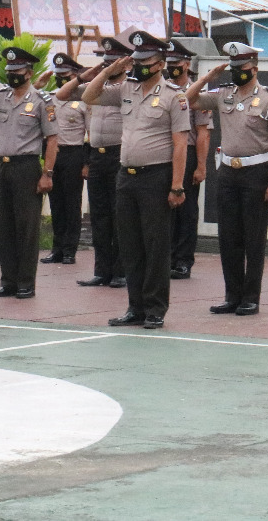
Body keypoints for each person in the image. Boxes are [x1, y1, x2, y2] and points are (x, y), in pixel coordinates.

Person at [83, 31, 191, 328]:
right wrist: (110, 70)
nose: (139, 65)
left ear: (160, 64)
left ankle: (155, 309)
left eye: (146, 61)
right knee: (130, 245)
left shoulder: (174, 96)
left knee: (155, 246)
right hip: (125, 176)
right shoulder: (126, 88)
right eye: (137, 60)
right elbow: (88, 95)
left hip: (156, 176)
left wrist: (177, 185)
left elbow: (180, 143)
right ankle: (135, 307)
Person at [187, 42, 268, 315]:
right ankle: (232, 295)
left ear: (254, 68)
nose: (236, 73)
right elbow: (188, 100)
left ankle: (250, 297)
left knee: (253, 237)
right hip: (228, 171)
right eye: (232, 68)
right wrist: (207, 78)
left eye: (240, 68)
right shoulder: (223, 94)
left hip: (257, 171)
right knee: (228, 236)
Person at [0, 46, 58, 300]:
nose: (12, 75)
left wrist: (47, 173)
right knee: (3, 226)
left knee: (26, 228)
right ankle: (8, 281)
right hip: (2, 166)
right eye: (9, 71)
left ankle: (26, 283)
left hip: (27, 167)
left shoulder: (41, 101)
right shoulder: (1, 97)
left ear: (28, 73)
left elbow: (52, 140)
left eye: (17, 71)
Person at [63, 37, 127, 289]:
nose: (108, 66)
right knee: (99, 216)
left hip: (119, 155)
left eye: (114, 62)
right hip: (97, 156)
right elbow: (62, 94)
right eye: (106, 62)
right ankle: (102, 271)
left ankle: (121, 271)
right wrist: (83, 76)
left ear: (126, 63)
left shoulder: (128, 88)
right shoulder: (94, 87)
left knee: (119, 216)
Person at [163, 39, 212, 280]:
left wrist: (201, 166)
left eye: (176, 63)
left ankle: (183, 260)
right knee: (164, 209)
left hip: (189, 153)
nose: (172, 67)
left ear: (186, 64)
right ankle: (167, 257)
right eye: (168, 62)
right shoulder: (161, 89)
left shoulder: (197, 95)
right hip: (164, 154)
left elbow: (203, 133)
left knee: (186, 210)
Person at [40, 53, 88, 266]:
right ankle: (57, 248)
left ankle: (70, 250)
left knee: (71, 204)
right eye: (58, 75)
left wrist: (86, 162)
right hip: (53, 155)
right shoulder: (49, 97)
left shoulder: (84, 98)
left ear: (75, 75)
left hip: (74, 154)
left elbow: (90, 133)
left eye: (65, 75)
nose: (60, 79)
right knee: (56, 203)